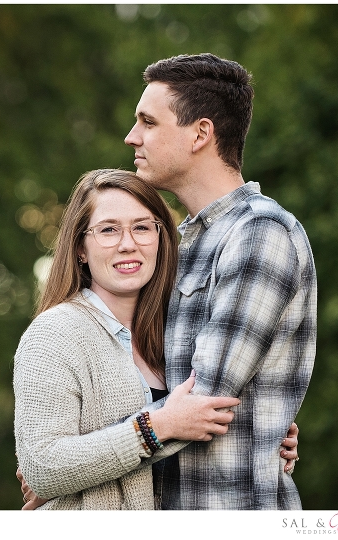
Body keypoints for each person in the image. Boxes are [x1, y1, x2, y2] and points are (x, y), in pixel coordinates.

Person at [18, 53, 311, 511]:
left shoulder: (258, 234)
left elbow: (201, 405)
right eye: (110, 231)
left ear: (201, 133)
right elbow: (168, 402)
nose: (132, 137)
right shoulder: (181, 246)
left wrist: (72, 467)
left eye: (148, 122)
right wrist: (63, 465)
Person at [13, 168, 242, 510]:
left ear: (160, 237)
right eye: (108, 230)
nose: (127, 244)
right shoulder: (55, 334)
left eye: (141, 227)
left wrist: (267, 435)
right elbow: (42, 467)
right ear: (80, 249)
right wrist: (159, 426)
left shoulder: (177, 332)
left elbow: (203, 420)